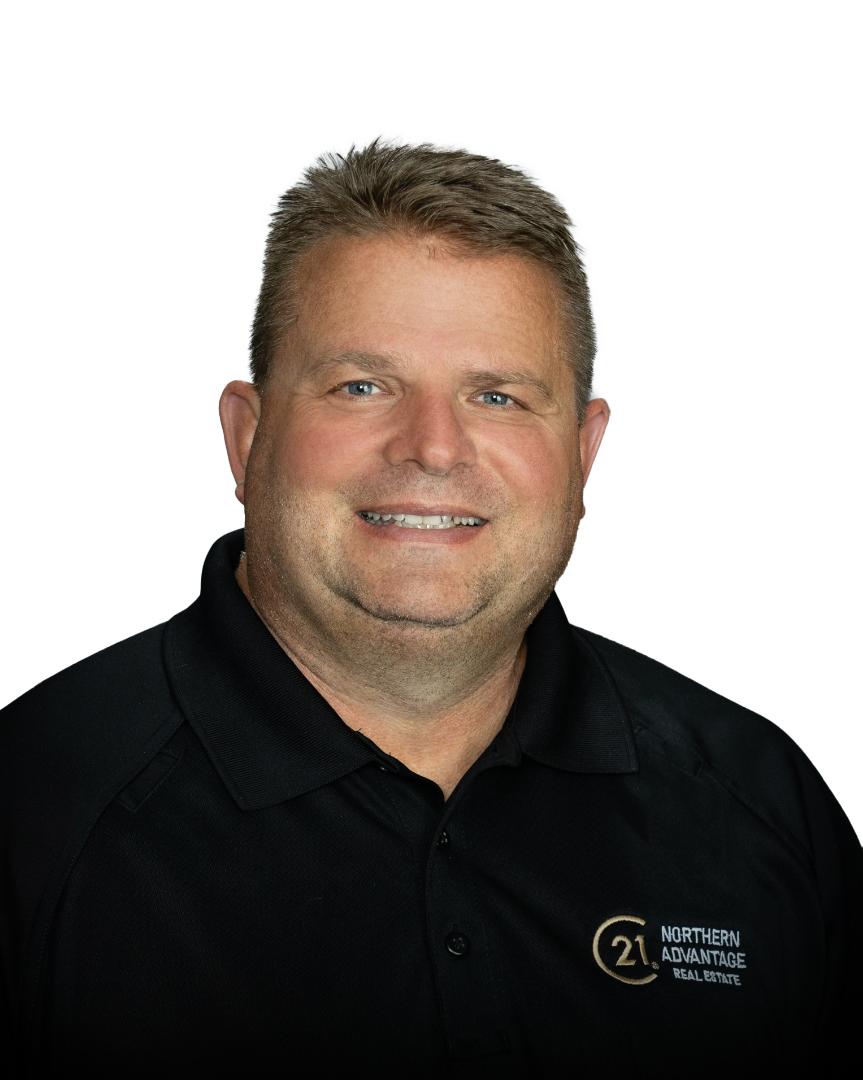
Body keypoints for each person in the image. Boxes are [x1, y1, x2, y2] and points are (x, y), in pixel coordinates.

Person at [1, 138, 860, 1079]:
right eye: (362, 386)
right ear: (247, 438)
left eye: (497, 396)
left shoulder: (757, 807)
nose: (435, 448)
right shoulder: (33, 811)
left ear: (582, 454)